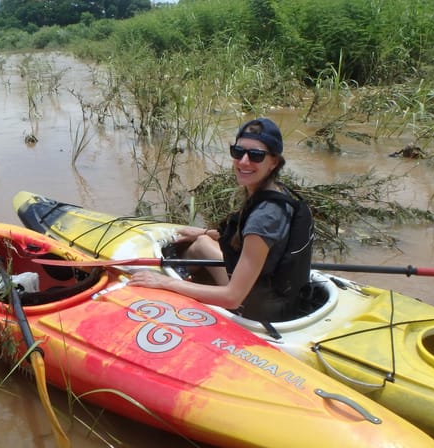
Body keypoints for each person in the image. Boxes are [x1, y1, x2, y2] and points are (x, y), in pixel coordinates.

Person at [127, 117, 313, 323]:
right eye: (238, 152)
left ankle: (179, 277)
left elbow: (232, 298)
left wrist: (163, 282)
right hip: (278, 294)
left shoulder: (264, 217)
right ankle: (186, 274)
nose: (244, 161)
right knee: (201, 244)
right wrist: (203, 232)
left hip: (254, 306)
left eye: (256, 155)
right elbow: (249, 240)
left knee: (190, 263)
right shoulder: (279, 192)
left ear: (274, 162)